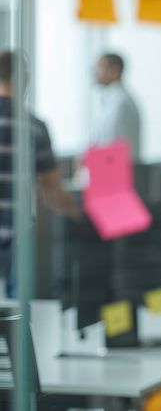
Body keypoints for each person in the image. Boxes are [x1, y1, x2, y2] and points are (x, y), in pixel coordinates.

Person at [0, 50, 78, 297]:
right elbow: (52, 190)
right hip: (16, 236)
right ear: (25, 78)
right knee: (15, 318)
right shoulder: (34, 126)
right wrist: (80, 214)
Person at [89, 53, 142, 161]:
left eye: (100, 68)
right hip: (109, 166)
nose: (96, 73)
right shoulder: (110, 100)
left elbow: (110, 143)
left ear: (114, 71)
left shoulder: (121, 103)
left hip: (115, 168)